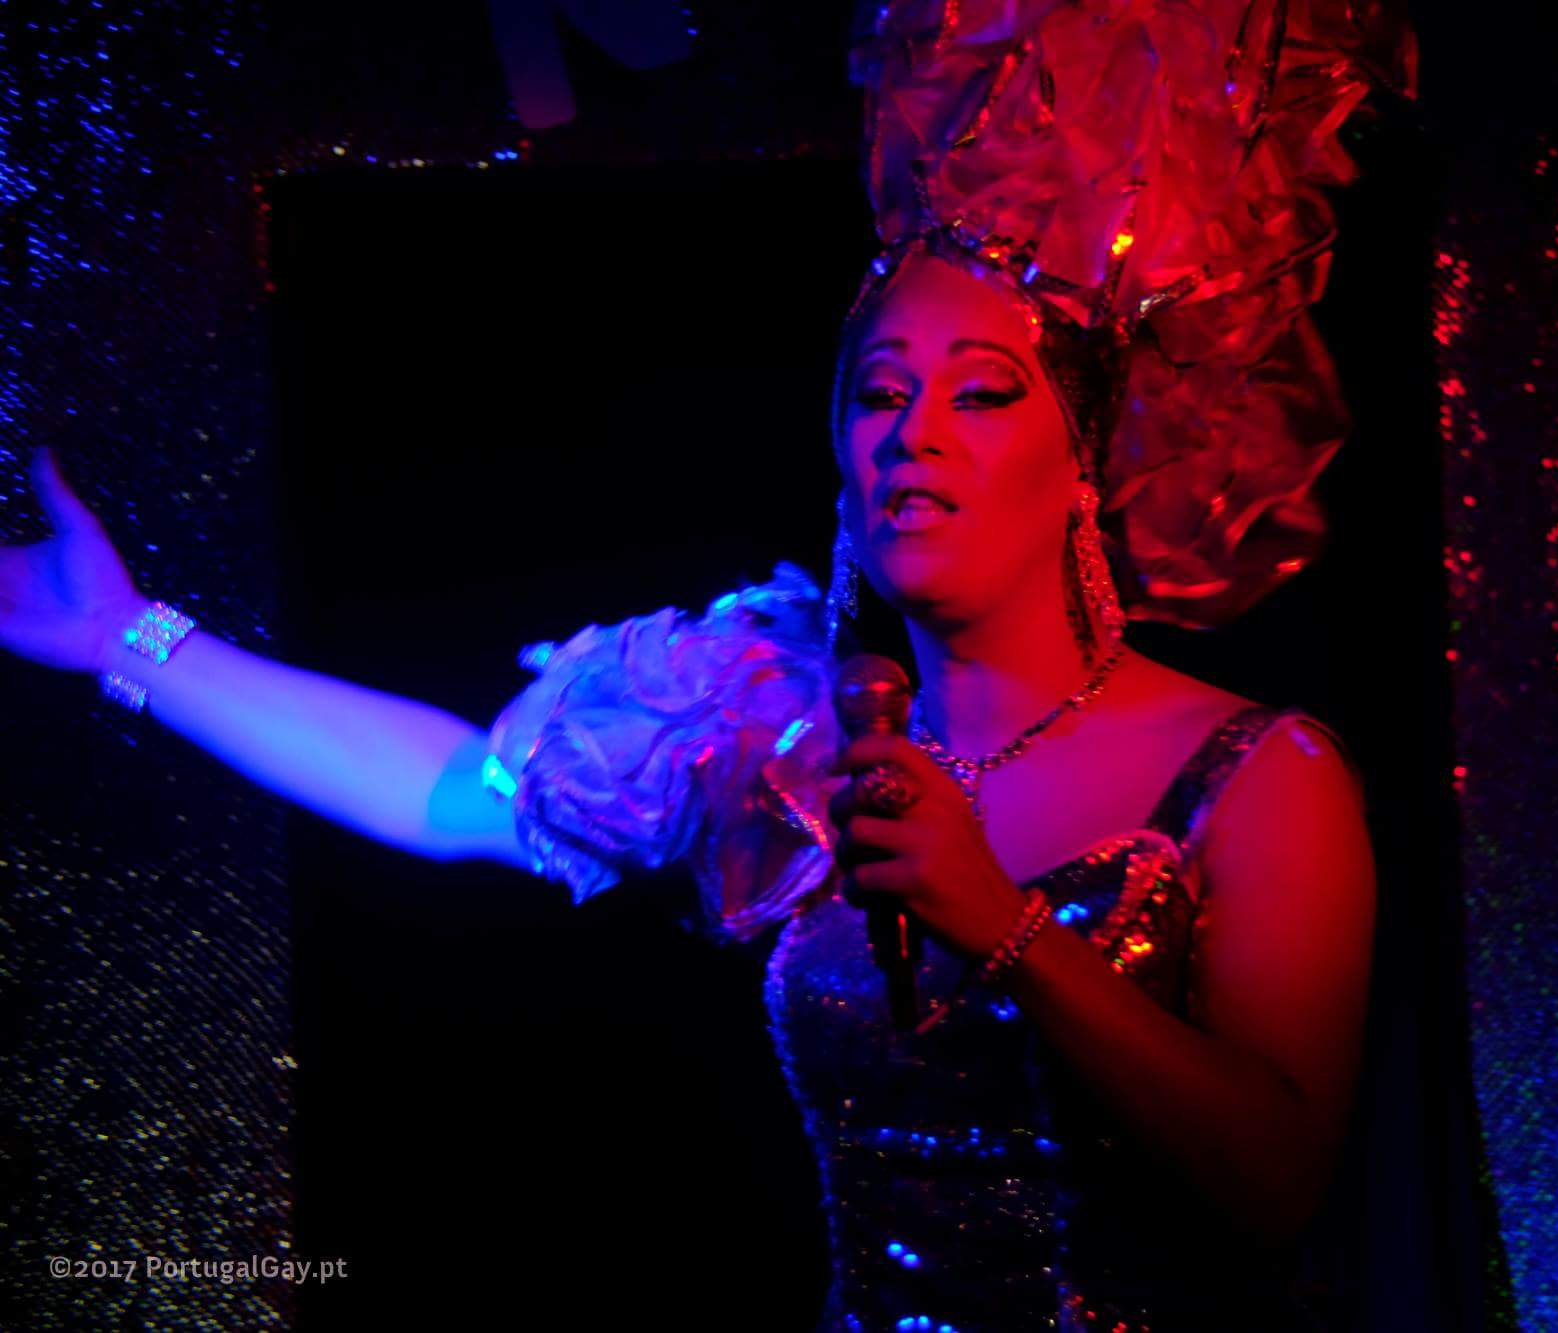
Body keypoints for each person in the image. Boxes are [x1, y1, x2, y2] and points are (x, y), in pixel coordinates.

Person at [2, 2, 1415, 1327]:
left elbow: (1278, 1181)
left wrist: (1001, 920)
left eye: (985, 392)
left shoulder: (1254, 774)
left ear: (1082, 460)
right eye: (880, 393)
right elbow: (450, 791)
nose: (916, 429)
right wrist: (127, 637)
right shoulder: (781, 734)